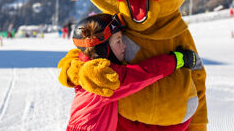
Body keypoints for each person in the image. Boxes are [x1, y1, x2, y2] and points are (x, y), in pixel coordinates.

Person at [62, 13, 197, 131]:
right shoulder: (100, 78)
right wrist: (177, 59)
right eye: (119, 41)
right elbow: (141, 74)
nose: (124, 46)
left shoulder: (85, 68)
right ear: (102, 49)